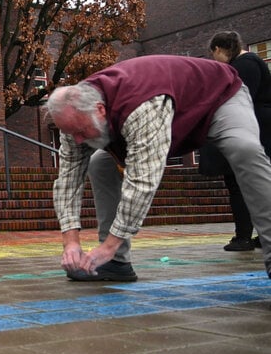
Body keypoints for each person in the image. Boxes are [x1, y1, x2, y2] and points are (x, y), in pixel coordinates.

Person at [45, 54, 271, 282]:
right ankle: (116, 264)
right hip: (169, 113)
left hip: (219, 96)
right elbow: (67, 181)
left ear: (100, 110)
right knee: (100, 163)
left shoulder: (141, 106)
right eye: (70, 133)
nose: (78, 141)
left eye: (81, 132)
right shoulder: (75, 119)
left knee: (245, 150)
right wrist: (70, 241)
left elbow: (142, 183)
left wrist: (108, 245)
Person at [199, 31, 271, 251]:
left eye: (214, 54)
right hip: (257, 129)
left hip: (252, 130)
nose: (215, 60)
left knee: (240, 183)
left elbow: (236, 98)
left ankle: (243, 236)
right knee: (252, 183)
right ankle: (260, 235)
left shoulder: (245, 64)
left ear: (219, 49)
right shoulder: (250, 62)